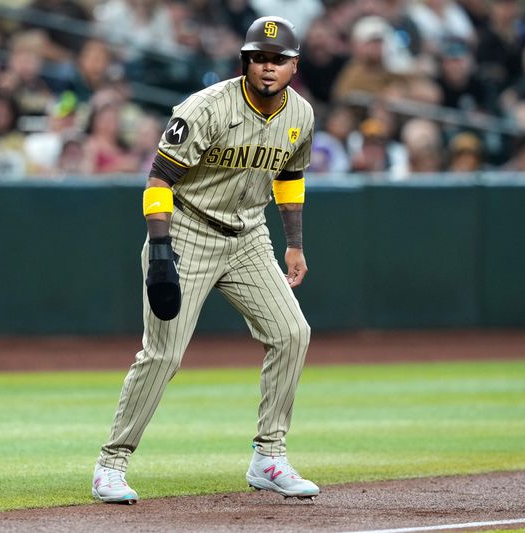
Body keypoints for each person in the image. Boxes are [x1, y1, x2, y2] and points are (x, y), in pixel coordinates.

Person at [93, 15, 319, 504]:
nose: (267, 67)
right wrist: (159, 248)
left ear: (293, 66)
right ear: (245, 61)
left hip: (249, 236)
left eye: (278, 60)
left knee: (292, 333)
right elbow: (158, 180)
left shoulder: (301, 114)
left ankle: (269, 457)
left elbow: (290, 178)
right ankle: (111, 464)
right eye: (259, 57)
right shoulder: (206, 108)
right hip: (188, 230)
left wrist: (294, 243)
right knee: (164, 354)